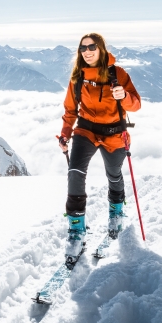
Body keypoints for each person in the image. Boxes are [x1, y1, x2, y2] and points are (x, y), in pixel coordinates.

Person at [57, 33, 141, 265]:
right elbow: (70, 110)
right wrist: (65, 134)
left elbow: (136, 104)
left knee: (113, 174)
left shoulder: (118, 74)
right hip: (86, 130)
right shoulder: (78, 77)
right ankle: (76, 232)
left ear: (102, 49)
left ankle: (116, 212)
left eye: (92, 46)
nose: (87, 51)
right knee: (75, 173)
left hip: (114, 132)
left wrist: (123, 96)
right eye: (83, 48)